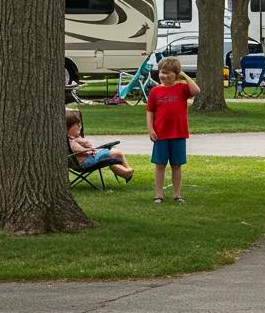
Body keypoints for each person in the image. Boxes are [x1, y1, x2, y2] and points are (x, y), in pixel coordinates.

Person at [146, 56, 200, 204]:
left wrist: (184, 75)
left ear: (175, 74)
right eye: (162, 72)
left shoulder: (182, 88)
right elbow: (150, 111)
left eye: (168, 73)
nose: (164, 76)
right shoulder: (155, 91)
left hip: (179, 133)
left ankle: (177, 194)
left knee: (176, 165)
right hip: (161, 134)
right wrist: (151, 129)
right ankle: (159, 194)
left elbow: (196, 90)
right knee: (160, 165)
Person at [66, 108, 134, 181]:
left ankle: (126, 172)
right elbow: (81, 150)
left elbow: (87, 143)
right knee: (116, 153)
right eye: (77, 125)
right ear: (67, 127)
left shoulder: (72, 139)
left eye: (80, 124)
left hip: (88, 159)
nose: (80, 126)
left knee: (112, 159)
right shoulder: (70, 142)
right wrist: (89, 150)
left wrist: (87, 145)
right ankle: (128, 170)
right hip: (86, 162)